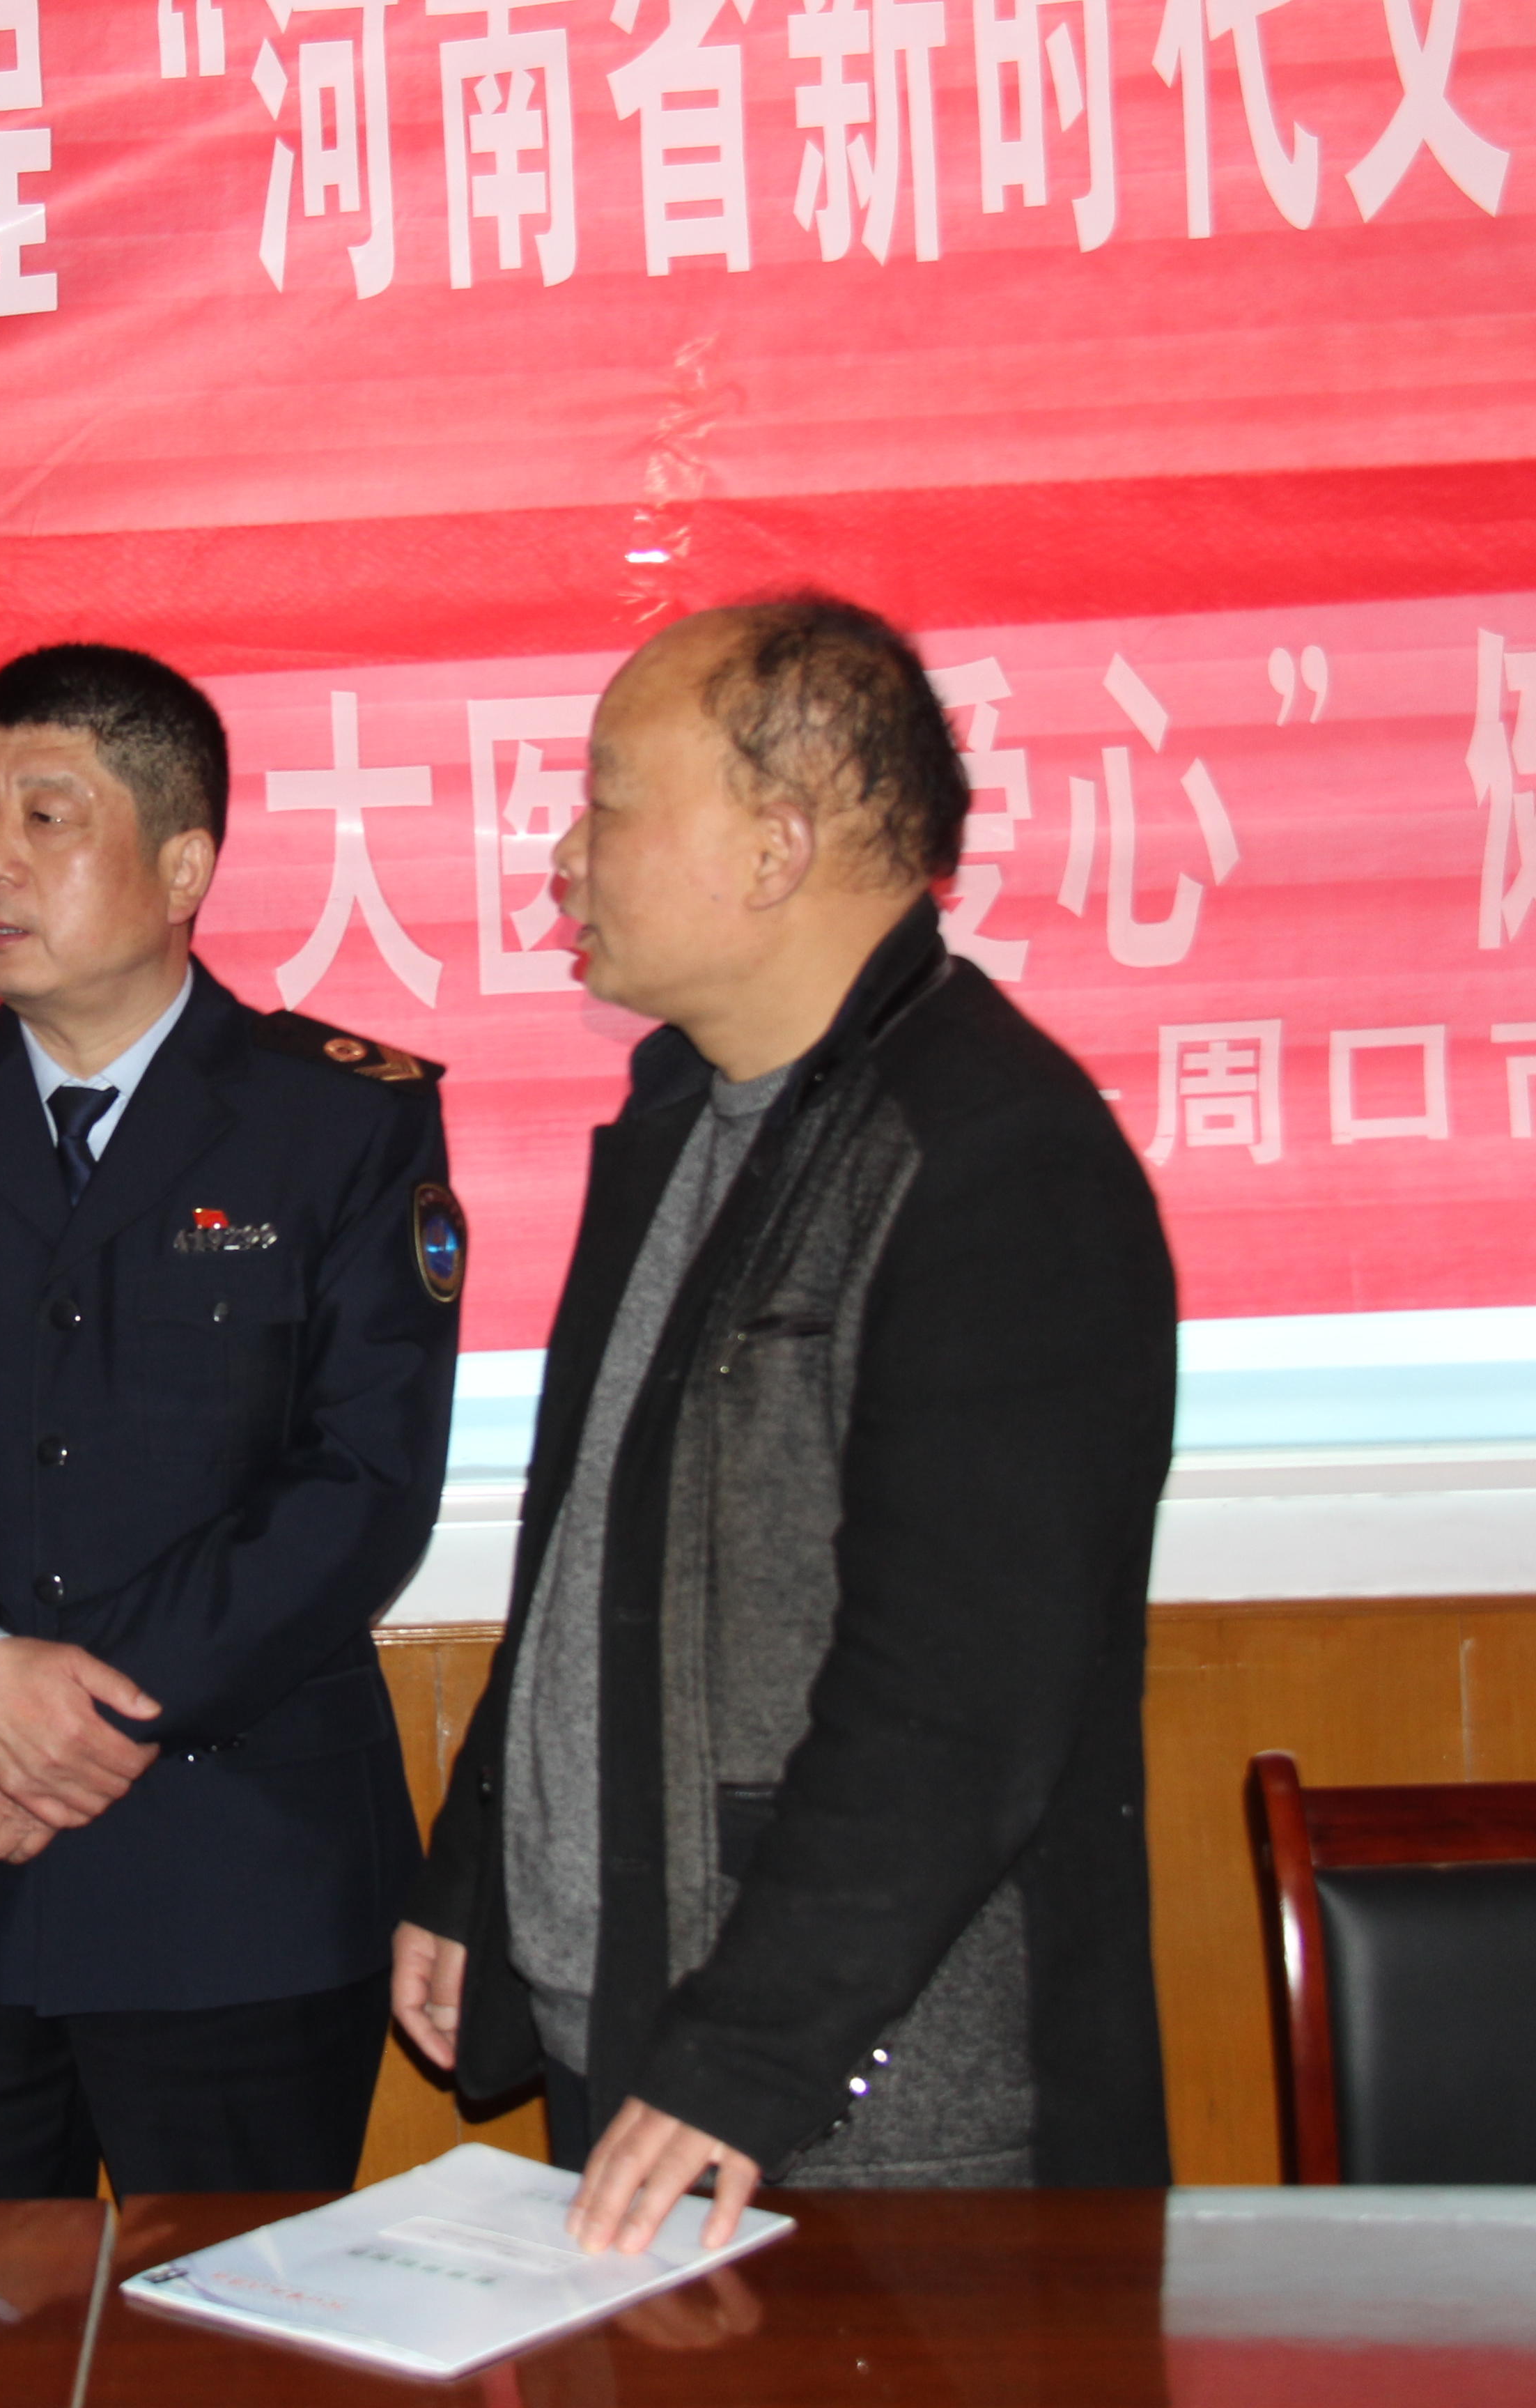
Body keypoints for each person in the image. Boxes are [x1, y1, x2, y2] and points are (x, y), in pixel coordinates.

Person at [392, 596, 1177, 2253]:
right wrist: (479, 1870)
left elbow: (960, 1704)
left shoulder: (991, 1158)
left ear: (776, 847)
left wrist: (750, 2052)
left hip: (864, 2115)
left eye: (609, 802)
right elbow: (591, 1544)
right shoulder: (687, 1114)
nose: (562, 856)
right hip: (648, 2038)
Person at [0, 644, 466, 2202]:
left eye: (48, 817)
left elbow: (363, 1480)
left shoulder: (338, 1122)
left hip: (239, 1878)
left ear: (184, 865)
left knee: (240, 2325)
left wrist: (79, 1724)